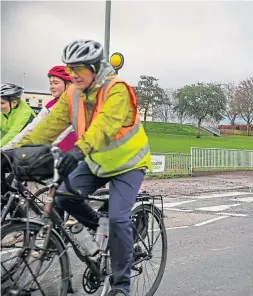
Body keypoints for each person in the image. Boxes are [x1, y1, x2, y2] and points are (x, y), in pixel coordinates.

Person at [16, 39, 152, 296]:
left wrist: (78, 150)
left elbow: (105, 127)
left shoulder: (117, 89)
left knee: (119, 218)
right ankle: (100, 224)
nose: (73, 74)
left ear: (95, 67)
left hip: (128, 164)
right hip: (96, 161)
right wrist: (15, 153)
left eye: (79, 68)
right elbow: (46, 129)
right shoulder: (72, 94)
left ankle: (121, 286)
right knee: (65, 197)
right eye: (70, 69)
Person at [3, 66, 77, 151]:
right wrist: (7, 148)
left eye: (55, 83)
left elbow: (62, 133)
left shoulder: (76, 104)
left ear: (69, 85)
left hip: (68, 153)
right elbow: (31, 128)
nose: (52, 86)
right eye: (50, 83)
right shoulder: (50, 105)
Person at [1, 83, 35, 147]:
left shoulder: (25, 113)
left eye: (2, 103)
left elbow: (12, 135)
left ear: (14, 103)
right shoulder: (5, 109)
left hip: (27, 146)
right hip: (11, 144)